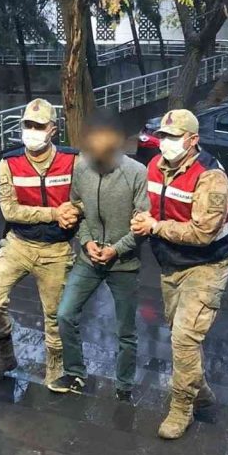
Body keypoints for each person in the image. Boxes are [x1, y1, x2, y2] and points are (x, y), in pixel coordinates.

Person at [131, 108, 228, 440]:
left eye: (174, 138)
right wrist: (140, 220)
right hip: (171, 264)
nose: (166, 144)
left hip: (207, 265)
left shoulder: (210, 176)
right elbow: (148, 207)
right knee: (181, 336)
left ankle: (181, 409)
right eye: (163, 136)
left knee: (183, 338)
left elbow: (204, 232)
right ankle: (201, 394)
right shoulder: (154, 167)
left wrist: (155, 226)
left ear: (192, 140)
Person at [0, 98, 79, 387]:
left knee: (54, 315)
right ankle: (5, 356)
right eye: (27, 125)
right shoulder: (9, 163)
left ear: (53, 129)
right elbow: (9, 210)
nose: (32, 130)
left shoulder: (73, 160)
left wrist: (75, 212)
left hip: (57, 249)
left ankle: (55, 368)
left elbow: (83, 198)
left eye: (39, 126)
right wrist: (53, 213)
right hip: (18, 244)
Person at [49, 110, 148, 399]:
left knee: (125, 332)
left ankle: (124, 386)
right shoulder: (81, 167)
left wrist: (116, 250)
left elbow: (143, 223)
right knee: (65, 314)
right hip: (88, 259)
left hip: (124, 263)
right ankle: (75, 373)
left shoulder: (136, 173)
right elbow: (75, 207)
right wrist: (87, 242)